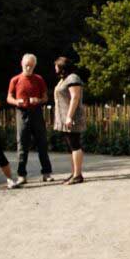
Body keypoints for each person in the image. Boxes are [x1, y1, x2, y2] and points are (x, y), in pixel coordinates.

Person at [7, 53, 53, 185]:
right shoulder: (15, 80)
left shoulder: (39, 79)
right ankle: (21, 175)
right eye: (27, 65)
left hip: (36, 112)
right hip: (21, 112)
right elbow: (8, 98)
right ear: (22, 63)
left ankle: (46, 173)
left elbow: (45, 98)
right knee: (22, 144)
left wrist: (38, 100)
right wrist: (16, 102)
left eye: (31, 66)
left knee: (42, 143)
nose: (29, 68)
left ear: (35, 66)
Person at [53, 57, 86, 185]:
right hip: (64, 118)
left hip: (72, 118)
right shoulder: (64, 79)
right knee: (70, 146)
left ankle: (78, 175)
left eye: (56, 66)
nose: (54, 68)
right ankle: (74, 173)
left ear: (62, 66)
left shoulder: (73, 78)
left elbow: (75, 97)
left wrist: (69, 116)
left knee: (75, 144)